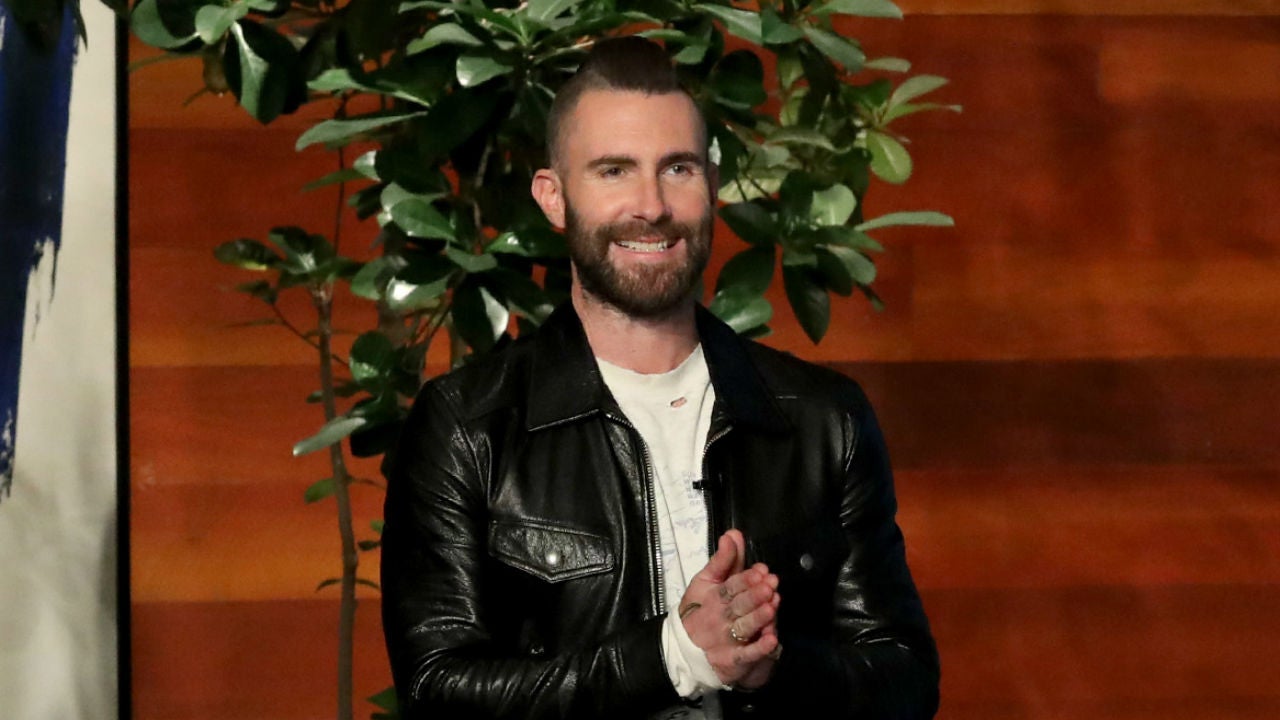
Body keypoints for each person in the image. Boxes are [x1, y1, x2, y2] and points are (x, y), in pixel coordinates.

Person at [380, 36, 939, 720]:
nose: (651, 205)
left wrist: (771, 666)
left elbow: (905, 682)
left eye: (677, 168)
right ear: (554, 198)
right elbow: (435, 691)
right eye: (614, 171)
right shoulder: (467, 426)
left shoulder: (824, 419)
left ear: (711, 184)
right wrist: (675, 655)